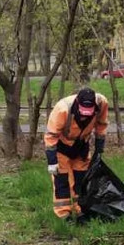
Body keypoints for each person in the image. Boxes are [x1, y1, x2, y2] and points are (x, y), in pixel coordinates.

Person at [44, 86, 109, 219]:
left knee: (81, 180)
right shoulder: (62, 109)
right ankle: (63, 214)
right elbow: (51, 136)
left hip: (81, 147)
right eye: (83, 112)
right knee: (62, 181)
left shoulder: (102, 104)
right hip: (62, 148)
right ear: (77, 104)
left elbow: (101, 125)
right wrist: (52, 162)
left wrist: (99, 149)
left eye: (88, 113)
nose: (85, 117)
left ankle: (80, 210)